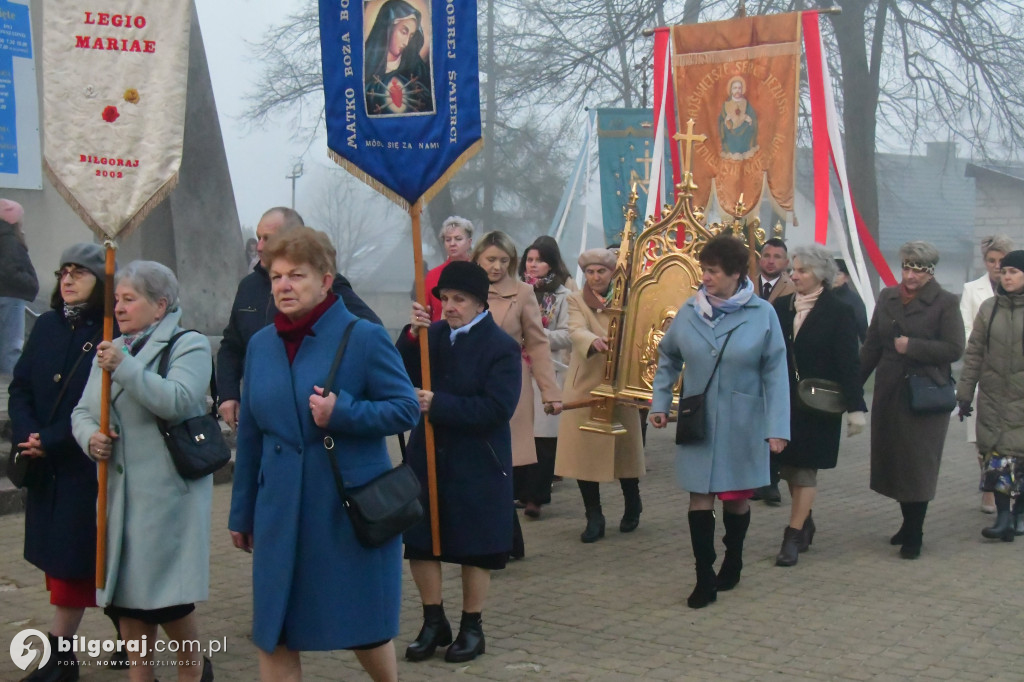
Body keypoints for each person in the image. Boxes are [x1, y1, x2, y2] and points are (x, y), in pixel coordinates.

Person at [228, 227, 418, 682]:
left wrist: (343, 412)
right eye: (277, 276)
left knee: (363, 629)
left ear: (326, 280)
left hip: (342, 510)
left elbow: (405, 408)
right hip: (278, 512)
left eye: (297, 275)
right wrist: (242, 512)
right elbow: (251, 434)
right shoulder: (261, 345)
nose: (284, 286)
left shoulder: (364, 337)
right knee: (275, 629)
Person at [71, 261, 215, 680]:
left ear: (160, 305)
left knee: (168, 601)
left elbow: (179, 400)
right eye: (117, 299)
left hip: (167, 497)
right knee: (126, 603)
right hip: (118, 497)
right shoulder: (113, 347)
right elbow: (82, 411)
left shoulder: (188, 344)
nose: (118, 307)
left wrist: (125, 366)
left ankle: (193, 669)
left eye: (129, 299)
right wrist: (90, 438)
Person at [649, 234, 789, 609]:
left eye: (713, 271)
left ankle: (734, 558)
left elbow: (776, 374)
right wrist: (660, 403)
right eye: (704, 270)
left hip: (744, 422)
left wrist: (778, 428)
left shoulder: (762, 314)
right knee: (699, 496)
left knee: (736, 498)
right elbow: (668, 357)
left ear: (735, 273)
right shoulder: (689, 311)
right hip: (699, 421)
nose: (706, 278)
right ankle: (703, 576)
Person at [8, 243, 123, 680]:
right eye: (63, 272)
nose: (68, 280)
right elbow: (21, 387)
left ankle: (61, 659)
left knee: (76, 563)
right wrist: (27, 434)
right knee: (65, 561)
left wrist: (52, 440)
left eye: (80, 272)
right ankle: (131, 634)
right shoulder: (48, 325)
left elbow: (101, 404)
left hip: (83, 465)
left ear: (101, 282)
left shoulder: (110, 330)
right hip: (45, 466)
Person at [398, 261, 522, 664]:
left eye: (460, 299)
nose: (450, 307)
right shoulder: (431, 336)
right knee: (421, 542)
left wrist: (440, 405)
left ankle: (472, 626)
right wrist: (410, 336)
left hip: (478, 460)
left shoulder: (500, 347)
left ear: (480, 303)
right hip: (428, 454)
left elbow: (497, 409)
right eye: (445, 299)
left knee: (474, 546)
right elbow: (400, 372)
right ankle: (433, 620)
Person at [412, 231, 562, 557]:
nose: (497, 266)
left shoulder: (522, 293)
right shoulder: (459, 287)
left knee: (499, 462)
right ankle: (500, 537)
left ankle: (501, 539)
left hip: (505, 382)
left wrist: (550, 391)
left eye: (504, 260)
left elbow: (537, 342)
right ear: (478, 258)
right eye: (491, 259)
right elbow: (434, 338)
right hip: (457, 386)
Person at [217, 207, 380, 431]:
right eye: (258, 237)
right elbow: (231, 345)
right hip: (262, 412)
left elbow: (366, 334)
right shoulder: (248, 287)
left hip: (312, 417)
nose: (260, 246)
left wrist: (342, 402)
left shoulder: (327, 285)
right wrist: (228, 393)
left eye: (268, 238)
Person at [860, 241, 964, 560]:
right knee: (896, 461)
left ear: (930, 272)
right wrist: (852, 385)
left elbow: (954, 348)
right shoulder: (887, 297)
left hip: (925, 395)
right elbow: (872, 346)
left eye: (918, 270)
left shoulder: (946, 302)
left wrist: (913, 346)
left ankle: (915, 532)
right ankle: (907, 524)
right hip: (891, 390)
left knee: (918, 464)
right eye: (906, 268)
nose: (910, 276)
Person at [771, 245, 866, 567]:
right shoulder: (781, 307)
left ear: (821, 275)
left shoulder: (839, 311)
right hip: (784, 401)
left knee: (805, 469)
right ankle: (806, 520)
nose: (795, 276)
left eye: (802, 270)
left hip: (818, 404)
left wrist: (856, 408)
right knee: (789, 468)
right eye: (793, 270)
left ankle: (792, 535)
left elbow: (849, 362)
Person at [554, 248, 645, 543]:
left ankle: (633, 501)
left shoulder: (630, 299)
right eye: (590, 272)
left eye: (601, 271)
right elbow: (575, 329)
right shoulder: (575, 299)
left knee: (625, 450)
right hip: (585, 386)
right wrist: (594, 341)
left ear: (613, 274)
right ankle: (594, 515)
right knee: (584, 454)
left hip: (619, 384)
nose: (595, 277)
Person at [956, 249, 1024, 542]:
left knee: (1020, 459)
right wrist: (964, 393)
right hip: (994, 397)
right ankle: (1003, 517)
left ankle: (1019, 514)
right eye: (1004, 271)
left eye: (1013, 272)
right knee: (997, 457)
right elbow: (974, 354)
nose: (1006, 277)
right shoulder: (989, 308)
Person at [516, 238, 572, 518]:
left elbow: (568, 335)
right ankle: (521, 491)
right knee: (521, 432)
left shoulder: (563, 295)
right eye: (529, 259)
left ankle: (537, 497)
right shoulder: (516, 292)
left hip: (548, 369)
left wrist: (537, 334)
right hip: (518, 370)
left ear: (550, 264)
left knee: (544, 437)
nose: (533, 265)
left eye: (539, 260)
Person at [960, 235, 1014, 514]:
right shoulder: (972, 290)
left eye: (1001, 261)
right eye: (991, 260)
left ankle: (1011, 487)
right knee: (983, 436)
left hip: (1014, 377)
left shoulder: (1018, 289)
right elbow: (967, 329)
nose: (996, 266)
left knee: (1012, 435)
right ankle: (990, 489)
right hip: (985, 373)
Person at [753, 237, 794, 505]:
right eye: (767, 255)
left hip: (778, 358)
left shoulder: (792, 289)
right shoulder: (745, 284)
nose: (771, 261)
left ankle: (771, 480)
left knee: (773, 417)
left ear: (786, 262)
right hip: (748, 359)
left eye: (777, 257)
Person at [363, 0, 434, 115]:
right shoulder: (366, 63)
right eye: (403, 32)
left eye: (411, 36)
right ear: (388, 27)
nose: (406, 42)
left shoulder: (416, 66)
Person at [0, 199, 38, 376]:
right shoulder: (10, 241)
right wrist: (31, 284)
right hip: (11, 297)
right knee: (12, 346)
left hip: (7, 295)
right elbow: (11, 271)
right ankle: (13, 386)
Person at [423, 216, 474, 322]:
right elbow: (425, 312)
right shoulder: (433, 275)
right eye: (448, 239)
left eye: (458, 239)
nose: (452, 243)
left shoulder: (478, 273)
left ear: (469, 242)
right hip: (440, 330)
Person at [718, 76, 759, 160]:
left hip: (744, 136)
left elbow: (753, 120)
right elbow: (721, 122)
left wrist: (749, 121)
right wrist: (726, 121)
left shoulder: (746, 104)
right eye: (735, 88)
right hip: (730, 137)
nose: (737, 90)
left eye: (739, 88)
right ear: (731, 90)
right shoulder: (726, 105)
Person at [832, 258, 868, 343]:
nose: (834, 277)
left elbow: (863, 327)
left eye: (838, 274)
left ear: (846, 278)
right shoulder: (820, 296)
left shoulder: (854, 300)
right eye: (831, 273)